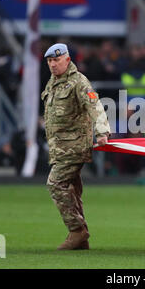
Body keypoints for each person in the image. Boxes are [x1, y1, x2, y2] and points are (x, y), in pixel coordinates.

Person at [41, 43, 111, 250]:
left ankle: (77, 231)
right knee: (72, 190)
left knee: (56, 184)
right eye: (50, 61)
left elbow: (94, 105)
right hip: (59, 147)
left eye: (56, 60)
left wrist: (102, 131)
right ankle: (81, 239)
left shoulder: (78, 82)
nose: (53, 65)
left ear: (67, 60)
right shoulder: (53, 83)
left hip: (74, 147)